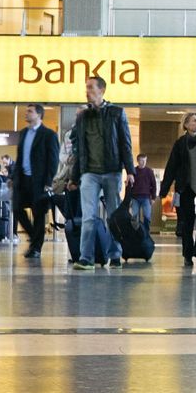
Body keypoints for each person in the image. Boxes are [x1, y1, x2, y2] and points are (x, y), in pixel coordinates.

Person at [69, 74, 135, 271]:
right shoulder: (83, 116)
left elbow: (125, 143)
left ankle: (115, 254)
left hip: (112, 171)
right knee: (88, 216)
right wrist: (74, 177)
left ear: (102, 90)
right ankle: (86, 257)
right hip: (89, 172)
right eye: (86, 87)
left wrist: (130, 170)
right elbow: (77, 147)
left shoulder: (117, 113)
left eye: (90, 87)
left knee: (113, 216)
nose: (87, 91)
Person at [160, 112, 196, 268]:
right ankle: (187, 254)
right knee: (187, 221)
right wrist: (164, 189)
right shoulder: (180, 144)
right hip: (186, 186)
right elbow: (172, 166)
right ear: (186, 125)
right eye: (194, 121)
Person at [14, 104, 61, 259]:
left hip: (39, 181)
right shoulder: (23, 133)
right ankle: (35, 235)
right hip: (23, 180)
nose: (26, 113)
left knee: (38, 214)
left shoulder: (49, 135)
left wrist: (49, 181)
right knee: (17, 208)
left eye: (30, 111)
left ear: (39, 114)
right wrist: (13, 177)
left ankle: (36, 248)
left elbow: (53, 160)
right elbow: (20, 158)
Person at [129, 153, 157, 230]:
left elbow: (154, 185)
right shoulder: (133, 171)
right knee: (134, 217)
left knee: (147, 217)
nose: (144, 162)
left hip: (146, 198)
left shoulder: (149, 171)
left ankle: (146, 234)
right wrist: (129, 199)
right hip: (135, 197)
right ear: (138, 161)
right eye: (142, 160)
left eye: (145, 160)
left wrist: (153, 198)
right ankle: (135, 234)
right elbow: (129, 185)